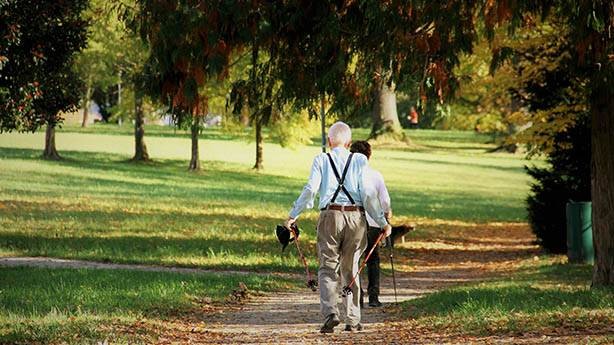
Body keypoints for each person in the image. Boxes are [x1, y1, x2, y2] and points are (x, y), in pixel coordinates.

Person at [284, 121, 391, 333]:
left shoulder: (321, 159)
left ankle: (331, 313)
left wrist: (293, 215)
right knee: (351, 268)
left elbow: (310, 190)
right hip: (355, 217)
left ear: (329, 141)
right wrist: (382, 222)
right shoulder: (359, 160)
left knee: (327, 267)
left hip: (329, 216)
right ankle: (352, 319)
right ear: (349, 142)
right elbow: (368, 196)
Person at [350, 140, 391, 308]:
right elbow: (385, 201)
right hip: (374, 222)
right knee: (373, 259)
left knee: (354, 259)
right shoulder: (376, 175)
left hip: (354, 221)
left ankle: (356, 298)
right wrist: (387, 218)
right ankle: (373, 296)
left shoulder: (348, 176)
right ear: (369, 156)